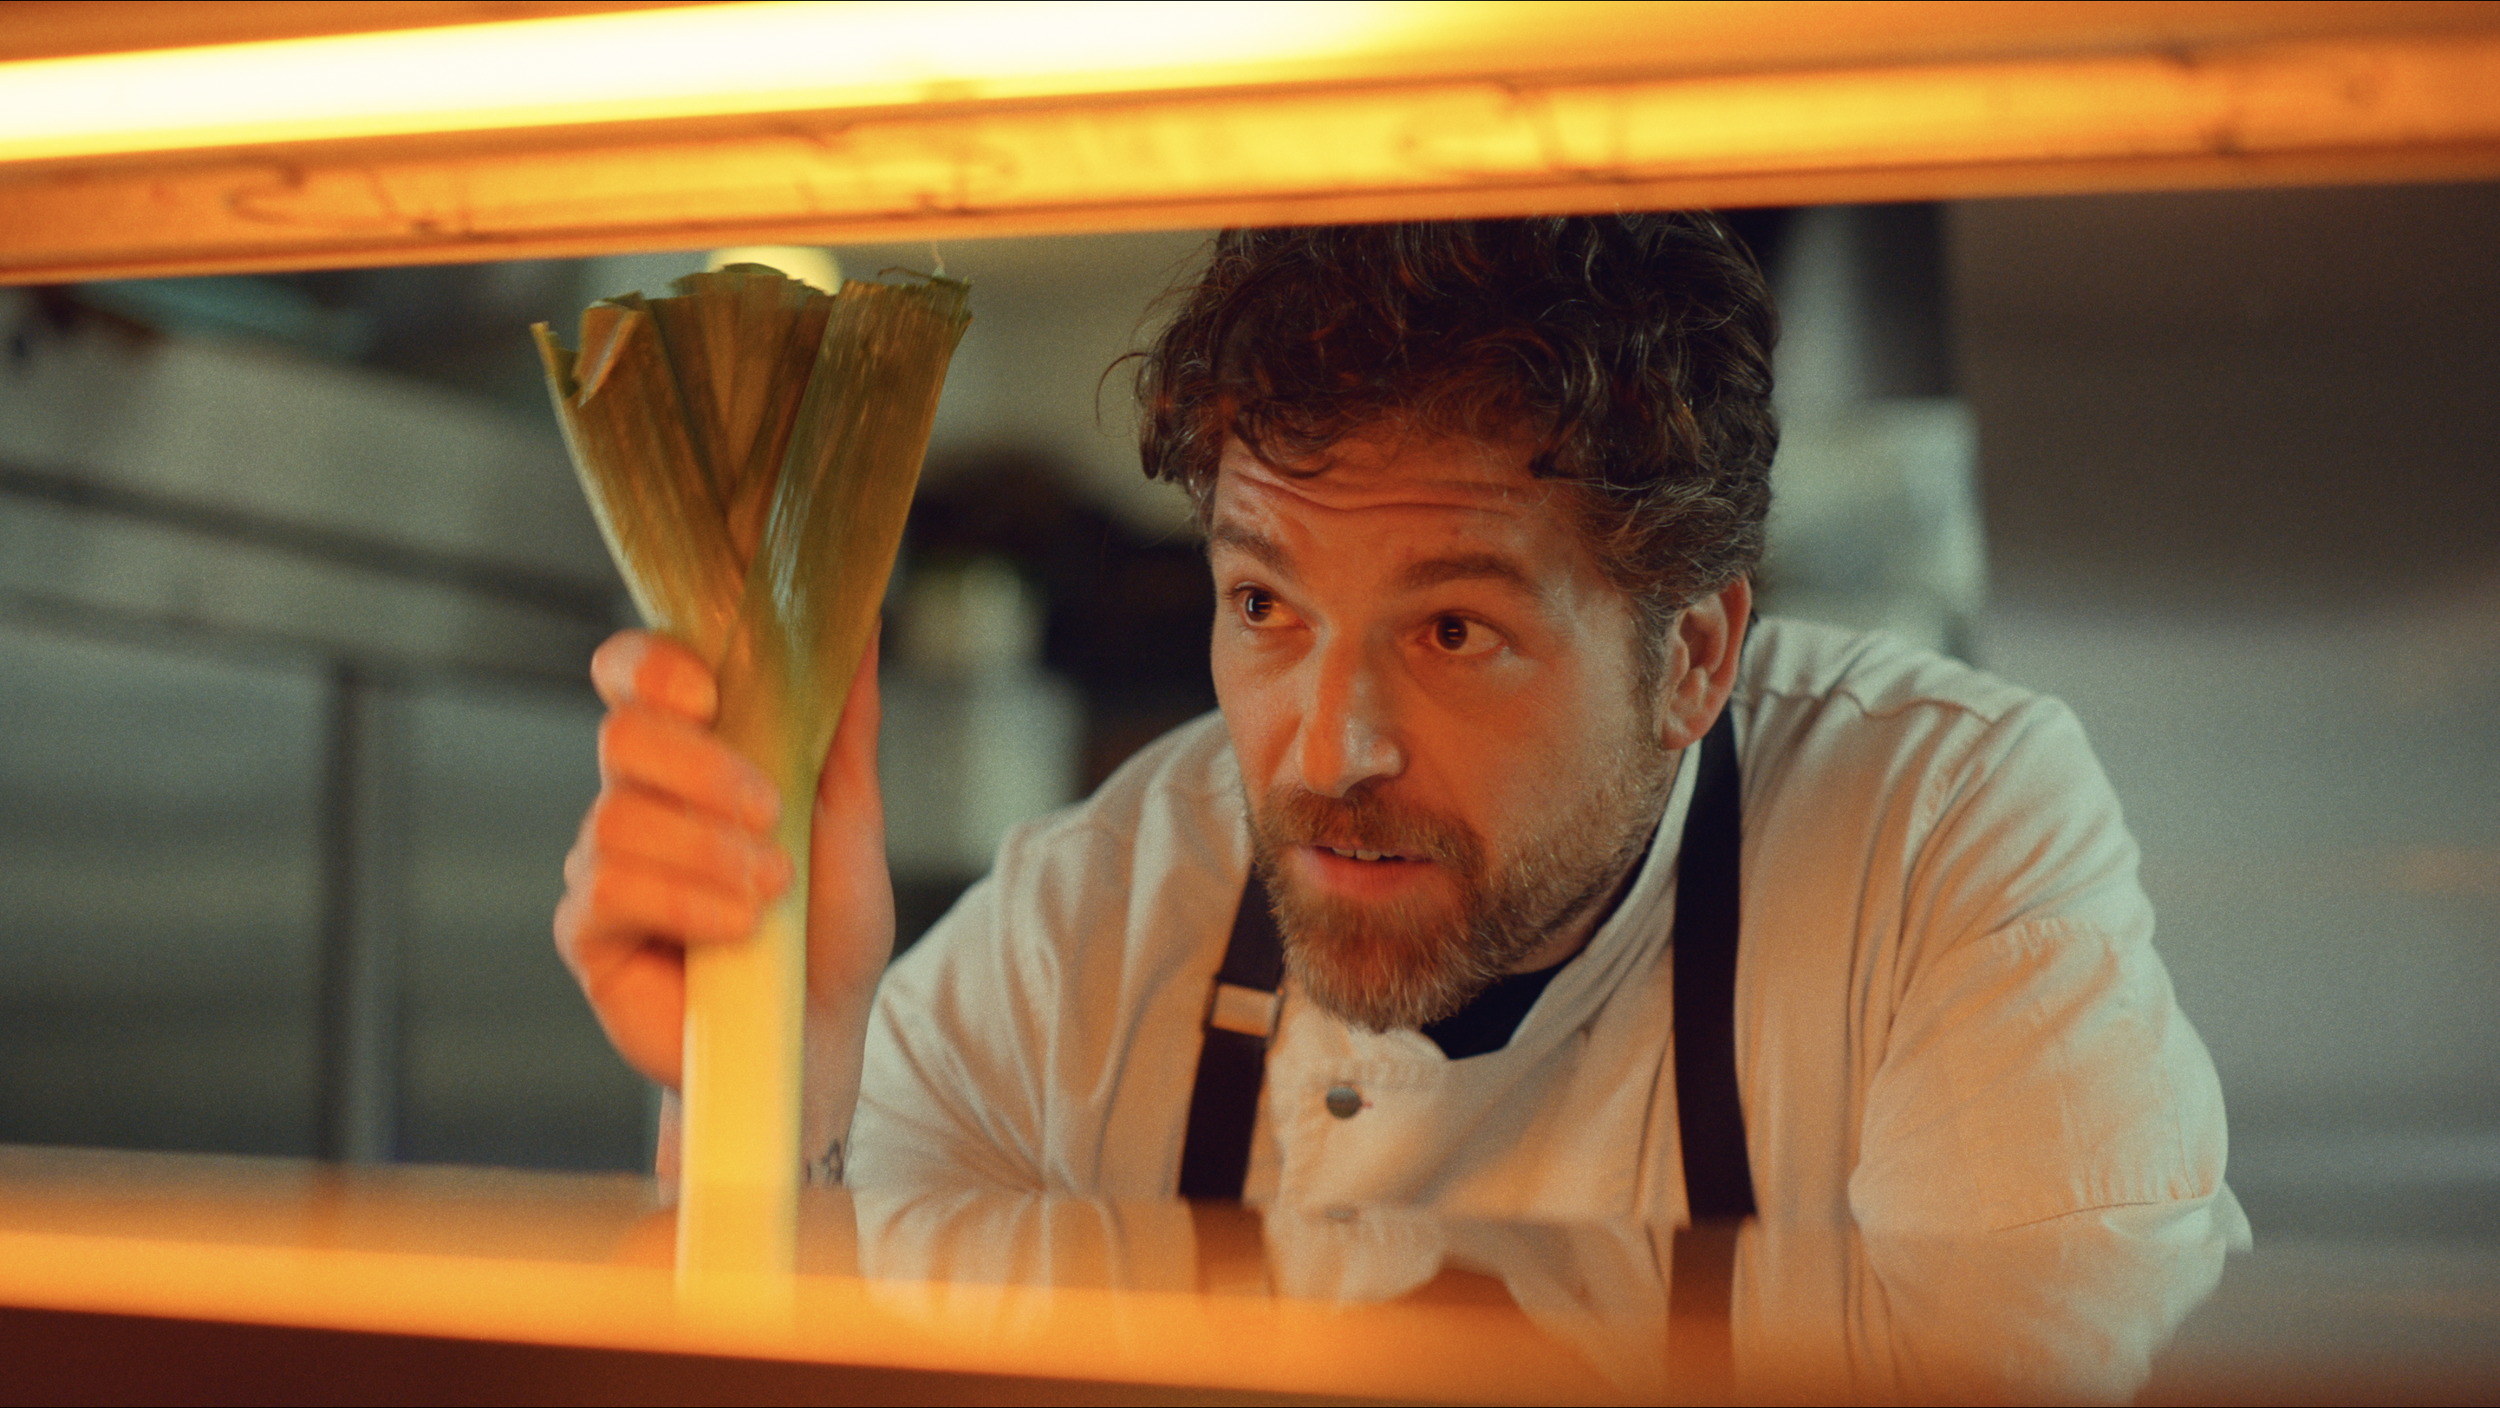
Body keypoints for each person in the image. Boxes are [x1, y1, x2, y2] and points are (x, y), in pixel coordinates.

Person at [555, 214, 2239, 1235]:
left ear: (1693, 657)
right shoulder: (1083, 933)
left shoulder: (1936, 841)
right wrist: (780, 1053)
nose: (1324, 749)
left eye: (1452, 630)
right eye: (1264, 607)